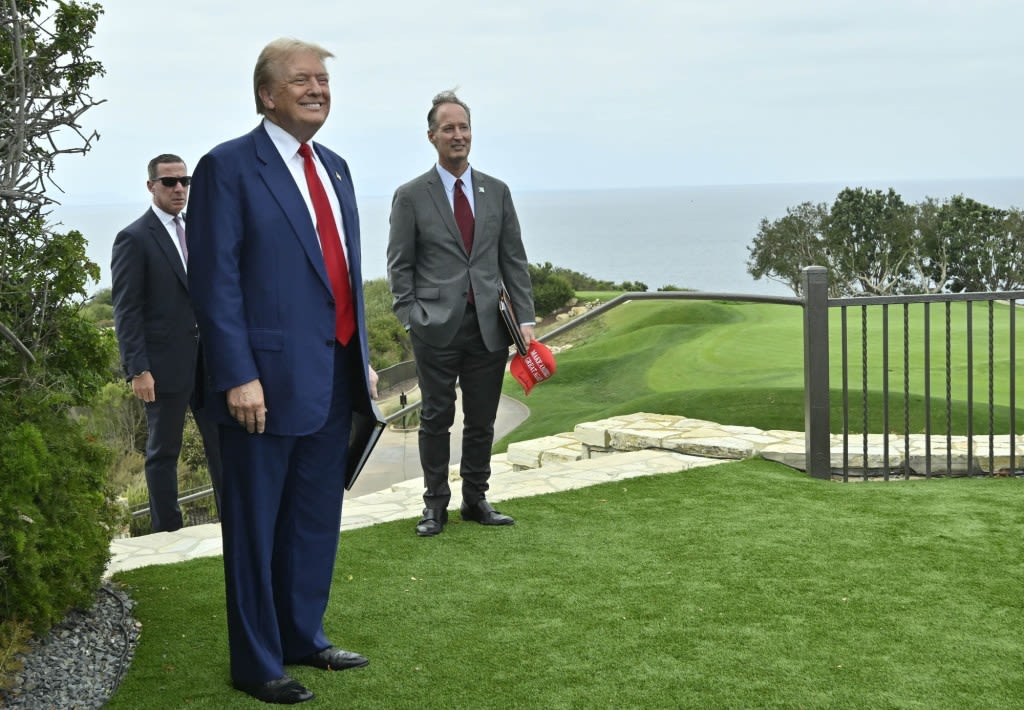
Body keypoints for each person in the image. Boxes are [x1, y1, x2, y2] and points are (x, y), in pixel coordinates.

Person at [187, 38, 377, 705]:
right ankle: (257, 663)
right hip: (259, 387)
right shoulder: (227, 167)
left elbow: (344, 281)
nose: (317, 89)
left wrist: (366, 365)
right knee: (256, 528)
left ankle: (304, 636)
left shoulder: (338, 168)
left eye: (323, 80)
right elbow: (216, 280)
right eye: (301, 80)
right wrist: (238, 374)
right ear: (267, 94)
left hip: (332, 379)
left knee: (313, 519)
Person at [387, 90, 534, 537]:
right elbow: (400, 266)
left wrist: (525, 319)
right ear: (432, 136)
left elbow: (514, 260)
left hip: (490, 327)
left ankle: (476, 499)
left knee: (482, 418)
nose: (458, 135)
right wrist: (412, 316)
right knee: (436, 417)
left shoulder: (497, 191)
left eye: (464, 127)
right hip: (434, 328)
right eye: (448, 128)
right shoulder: (411, 196)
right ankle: (435, 505)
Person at [110, 154, 223, 533]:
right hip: (162, 366)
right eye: (170, 182)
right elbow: (127, 311)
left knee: (223, 444)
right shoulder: (134, 238)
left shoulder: (199, 230)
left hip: (210, 362)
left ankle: (233, 517)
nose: (179, 188)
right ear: (151, 186)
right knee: (163, 453)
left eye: (184, 181)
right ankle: (167, 531)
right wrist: (138, 369)